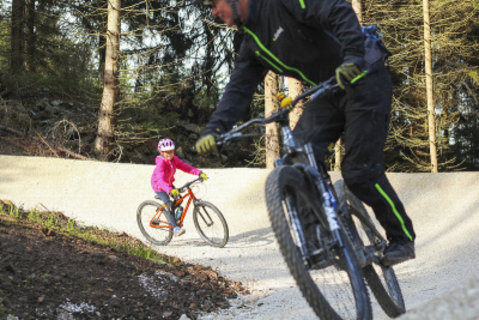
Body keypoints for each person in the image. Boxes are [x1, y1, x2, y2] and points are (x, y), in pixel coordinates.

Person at [195, 0, 415, 266]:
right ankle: (322, 241)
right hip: (331, 89)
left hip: (365, 75)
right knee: (296, 157)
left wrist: (353, 56)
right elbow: (237, 89)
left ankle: (401, 238)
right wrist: (214, 128)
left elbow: (337, 9)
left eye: (215, 4)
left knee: (360, 172)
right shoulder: (252, 43)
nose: (213, 12)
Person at [152, 138, 207, 236]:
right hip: (159, 186)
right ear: (161, 152)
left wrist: (199, 172)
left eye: (171, 151)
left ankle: (170, 214)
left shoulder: (174, 160)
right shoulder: (161, 163)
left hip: (168, 184)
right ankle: (175, 228)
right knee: (169, 205)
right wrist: (169, 190)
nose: (170, 154)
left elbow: (185, 167)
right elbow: (160, 180)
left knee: (179, 200)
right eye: (167, 152)